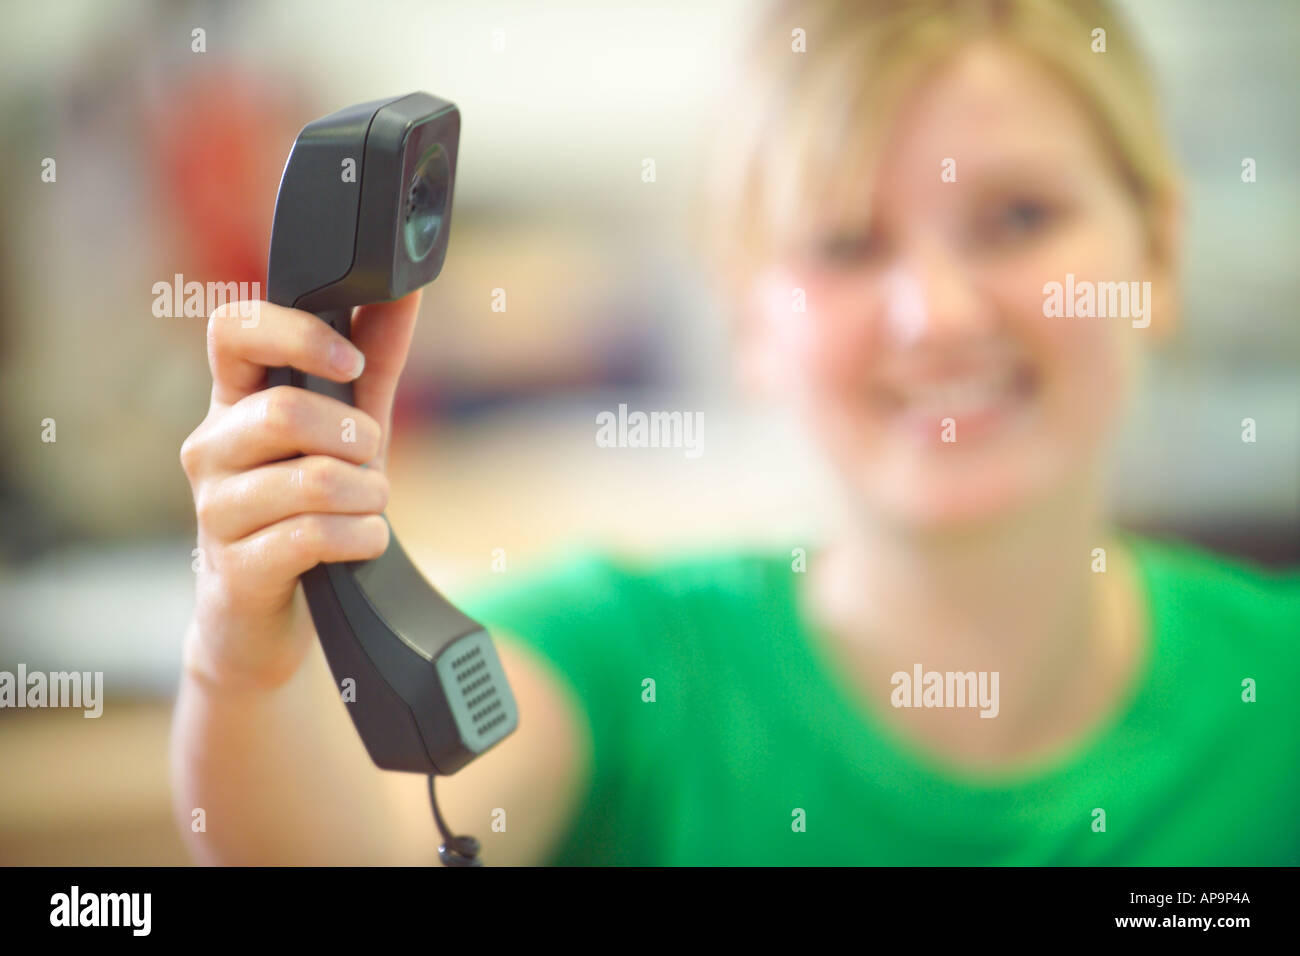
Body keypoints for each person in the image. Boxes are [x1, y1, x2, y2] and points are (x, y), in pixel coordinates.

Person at [171, 0, 1300, 865]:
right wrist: (252, 660)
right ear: (747, 318)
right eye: (850, 242)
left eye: (1017, 218)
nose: (939, 314)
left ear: (1156, 251)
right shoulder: (626, 666)